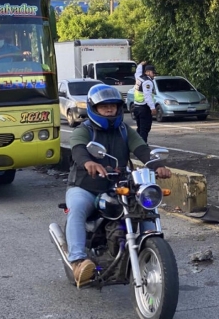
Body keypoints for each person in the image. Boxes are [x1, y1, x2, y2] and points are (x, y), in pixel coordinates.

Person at [65, 84, 171, 287]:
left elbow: (142, 149)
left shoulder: (124, 130)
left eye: (113, 106)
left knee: (144, 207)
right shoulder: (83, 130)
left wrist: (157, 166)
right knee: (77, 209)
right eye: (104, 106)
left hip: (119, 186)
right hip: (86, 187)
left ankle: (154, 251)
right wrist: (89, 162)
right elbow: (78, 150)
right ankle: (78, 261)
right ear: (93, 109)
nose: (109, 109)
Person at [133, 62, 157, 143]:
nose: (154, 75)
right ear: (147, 72)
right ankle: (143, 148)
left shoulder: (139, 78)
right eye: (153, 73)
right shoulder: (148, 82)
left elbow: (137, 72)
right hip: (144, 108)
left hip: (136, 107)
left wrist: (140, 65)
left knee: (140, 128)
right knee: (145, 129)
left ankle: (135, 144)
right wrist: (152, 108)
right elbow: (147, 96)